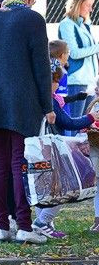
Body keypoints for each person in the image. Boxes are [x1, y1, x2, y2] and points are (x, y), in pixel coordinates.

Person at [0, 0, 55, 244]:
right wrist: (47, 106)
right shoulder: (33, 20)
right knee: (20, 163)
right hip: (22, 103)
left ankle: (0, 226)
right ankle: (24, 227)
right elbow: (42, 68)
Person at [32, 44, 97, 240]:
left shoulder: (43, 97)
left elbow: (61, 102)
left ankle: (44, 223)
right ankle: (42, 222)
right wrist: (91, 118)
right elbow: (67, 121)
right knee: (63, 187)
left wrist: (76, 98)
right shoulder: (49, 100)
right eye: (56, 82)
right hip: (51, 148)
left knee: (44, 186)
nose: (57, 86)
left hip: (38, 148)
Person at [59, 0, 99, 116]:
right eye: (88, 5)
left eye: (91, 6)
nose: (91, 9)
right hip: (76, 81)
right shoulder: (67, 24)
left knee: (85, 127)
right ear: (78, 4)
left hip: (89, 81)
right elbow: (74, 53)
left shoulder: (83, 25)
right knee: (75, 125)